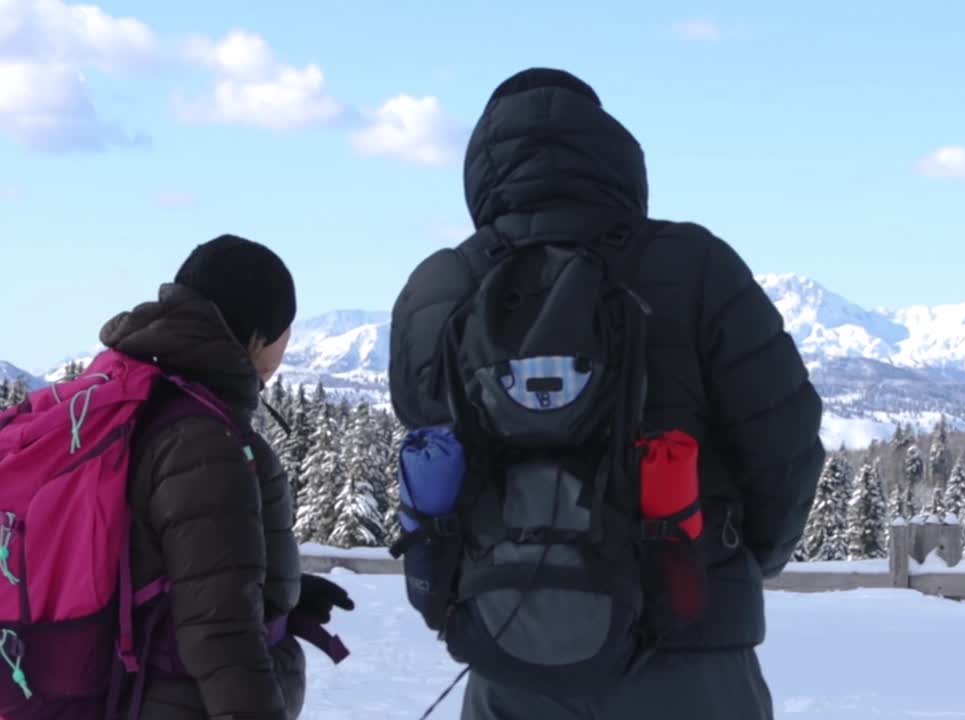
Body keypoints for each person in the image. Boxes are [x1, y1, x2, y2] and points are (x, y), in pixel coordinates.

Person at [389, 68, 825, 719]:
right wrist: (733, 560)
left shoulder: (441, 286)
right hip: (692, 645)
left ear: (480, 167)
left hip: (510, 646)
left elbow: (430, 450)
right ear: (612, 151)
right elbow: (784, 445)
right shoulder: (697, 265)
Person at [101, 234, 353, 719]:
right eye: (285, 331)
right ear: (257, 335)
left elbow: (168, 564)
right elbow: (222, 635)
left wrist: (275, 589)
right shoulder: (204, 439)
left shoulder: (149, 402)